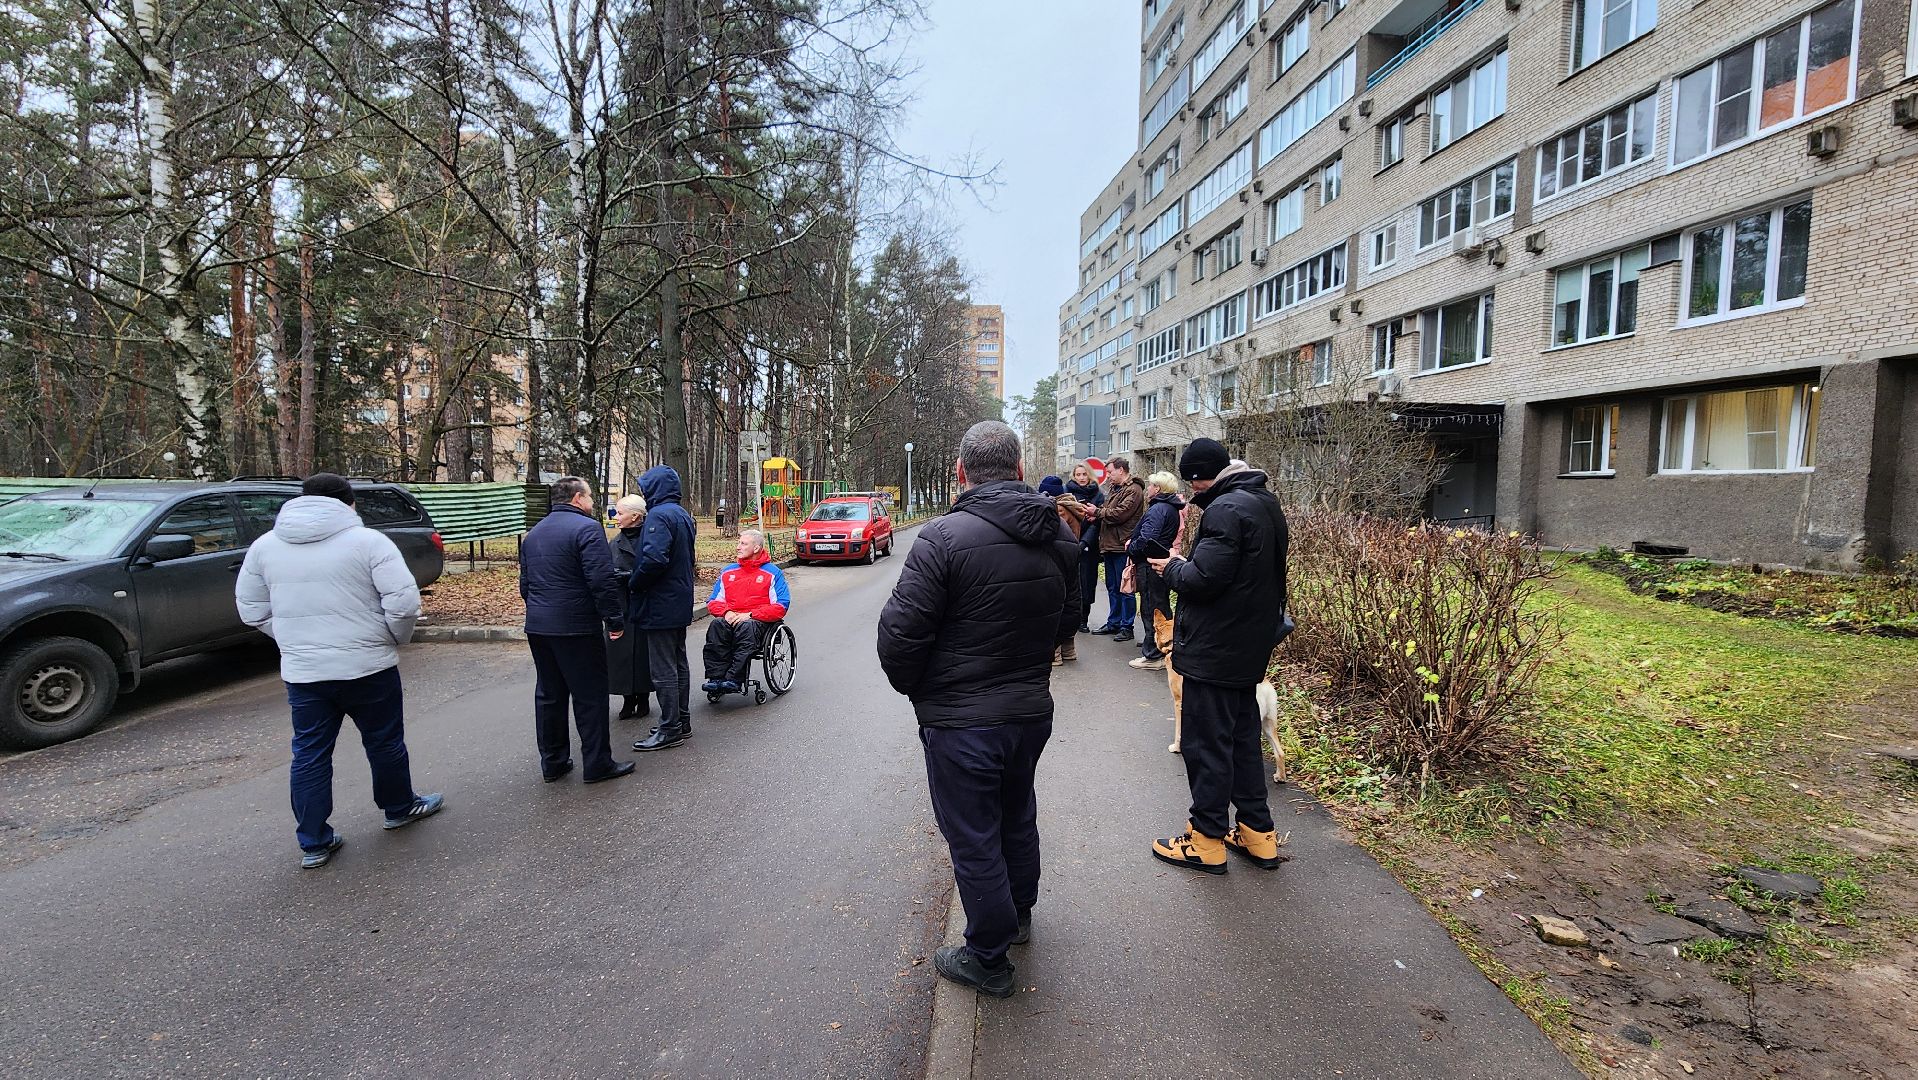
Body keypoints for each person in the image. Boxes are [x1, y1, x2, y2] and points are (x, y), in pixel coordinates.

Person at [877, 421, 1080, 1000]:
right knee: (1016, 811)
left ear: (963, 473)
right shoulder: (1060, 537)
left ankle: (987, 956)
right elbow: (1070, 620)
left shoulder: (942, 538)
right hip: (1028, 712)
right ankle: (1017, 915)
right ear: (1019, 470)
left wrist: (927, 691)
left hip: (963, 723)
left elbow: (898, 639)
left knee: (972, 835)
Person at [235, 473, 444, 869]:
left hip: (305, 674)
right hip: (368, 666)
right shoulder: (369, 543)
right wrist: (393, 638)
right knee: (384, 742)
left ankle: (314, 840)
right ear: (349, 503)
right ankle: (398, 807)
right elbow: (402, 603)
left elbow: (251, 609)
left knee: (310, 754)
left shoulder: (265, 547)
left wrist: (292, 638)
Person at [1146, 438, 1290, 875]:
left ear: (1197, 477)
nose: (1192, 492)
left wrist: (1171, 566)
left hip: (1216, 649)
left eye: (1192, 482)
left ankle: (1205, 839)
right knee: (1243, 740)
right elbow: (1241, 574)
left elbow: (1204, 579)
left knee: (1206, 743)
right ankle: (1256, 833)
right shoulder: (1265, 502)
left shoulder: (1226, 510)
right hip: (1248, 647)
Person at [520, 476, 634, 785]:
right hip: (576, 627)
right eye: (589, 497)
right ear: (576, 499)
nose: (593, 502)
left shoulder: (533, 534)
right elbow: (601, 580)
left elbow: (525, 585)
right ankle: (597, 763)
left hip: (539, 627)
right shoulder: (587, 529)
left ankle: (553, 762)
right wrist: (614, 620)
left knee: (549, 694)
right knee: (590, 695)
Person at [629, 465, 697, 752]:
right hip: (679, 599)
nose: (643, 494)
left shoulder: (658, 515)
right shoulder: (683, 515)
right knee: (678, 662)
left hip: (660, 602)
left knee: (663, 668)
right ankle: (681, 720)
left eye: (645, 488)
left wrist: (634, 582)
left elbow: (654, 559)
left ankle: (670, 728)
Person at [701, 529, 790, 693]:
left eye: (743, 543)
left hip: (758, 621)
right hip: (732, 617)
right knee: (717, 625)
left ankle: (735, 679)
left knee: (746, 627)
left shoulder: (772, 573)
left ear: (756, 548)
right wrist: (727, 612)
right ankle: (716, 678)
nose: (738, 547)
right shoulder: (728, 572)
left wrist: (750, 615)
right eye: (738, 543)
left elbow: (781, 606)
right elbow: (713, 601)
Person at [1126, 472, 1184, 672]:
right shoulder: (1171, 508)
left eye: (1151, 486)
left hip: (1150, 564)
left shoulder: (1158, 509)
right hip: (1160, 563)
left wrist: (1131, 547)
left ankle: (1153, 655)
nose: (1148, 489)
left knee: (1151, 608)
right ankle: (1163, 650)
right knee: (1161, 607)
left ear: (1158, 488)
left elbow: (1147, 538)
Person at [607, 494, 653, 722]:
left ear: (635, 516)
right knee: (622, 655)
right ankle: (627, 697)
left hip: (645, 604)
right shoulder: (614, 543)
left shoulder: (650, 539)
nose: (616, 517)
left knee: (643, 654)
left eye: (621, 513)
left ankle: (643, 697)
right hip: (621, 604)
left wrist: (631, 577)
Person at [1089, 457, 1144, 641]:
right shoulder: (1115, 488)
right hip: (1110, 545)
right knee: (1113, 587)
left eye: (1111, 472)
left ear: (1121, 470)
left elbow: (1120, 514)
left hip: (1122, 546)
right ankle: (1114, 622)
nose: (1109, 476)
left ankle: (1126, 626)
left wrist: (1096, 512)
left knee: (1125, 588)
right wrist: (1096, 516)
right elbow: (1107, 510)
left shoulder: (1134, 490)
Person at [1038, 475, 1084, 666]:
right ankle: (1068, 649)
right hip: (1071, 555)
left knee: (1055, 602)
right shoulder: (1074, 507)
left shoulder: (1057, 510)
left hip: (1055, 556)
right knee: (1071, 600)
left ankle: (1054, 653)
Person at [1064, 464, 1102, 633]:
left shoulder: (1098, 495)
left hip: (1089, 547)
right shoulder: (1067, 493)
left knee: (1087, 583)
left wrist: (1085, 542)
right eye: (1078, 474)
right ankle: (1070, 619)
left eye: (1084, 474)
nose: (1081, 477)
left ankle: (1083, 619)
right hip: (1069, 543)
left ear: (1089, 475)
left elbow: (1098, 523)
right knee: (1070, 583)